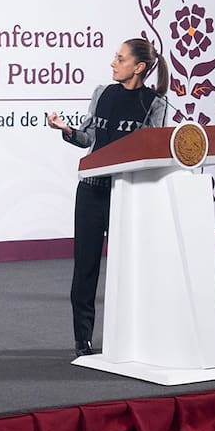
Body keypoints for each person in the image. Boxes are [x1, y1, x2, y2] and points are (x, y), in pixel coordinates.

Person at [47, 38, 170, 358]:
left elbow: (152, 153)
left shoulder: (154, 103)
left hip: (126, 195)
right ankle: (82, 340)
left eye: (120, 58)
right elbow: (89, 137)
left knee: (128, 268)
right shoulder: (102, 93)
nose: (113, 63)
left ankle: (128, 336)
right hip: (90, 191)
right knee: (85, 267)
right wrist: (67, 130)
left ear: (139, 67)